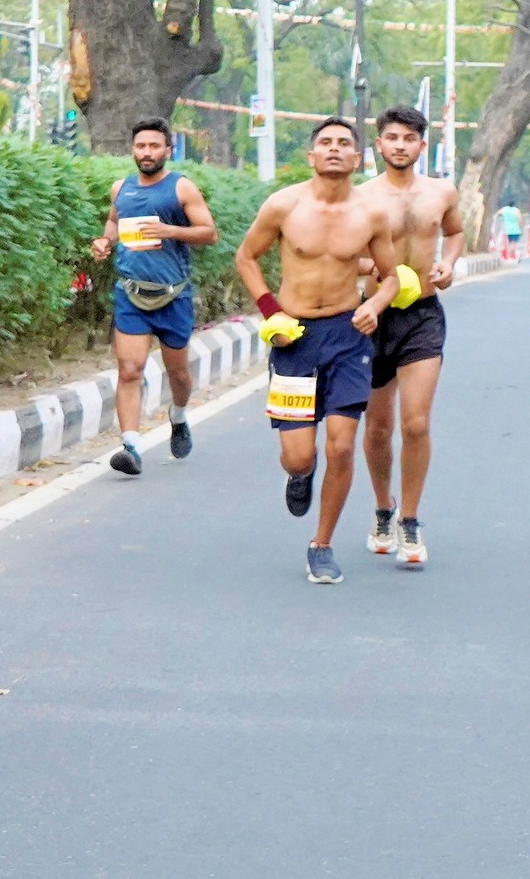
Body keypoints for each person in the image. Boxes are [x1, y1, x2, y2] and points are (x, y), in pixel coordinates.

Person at [234, 117, 401, 585]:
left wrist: (375, 306)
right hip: (295, 338)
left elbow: (391, 276)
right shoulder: (283, 205)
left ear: (357, 158)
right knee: (299, 457)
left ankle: (322, 545)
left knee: (342, 447)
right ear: (311, 156)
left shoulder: (371, 214)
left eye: (344, 143)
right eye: (325, 142)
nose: (334, 149)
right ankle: (300, 474)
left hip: (348, 337)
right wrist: (271, 313)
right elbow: (246, 257)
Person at [357, 106, 464, 569]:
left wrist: (448, 264)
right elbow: (341, 251)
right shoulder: (360, 197)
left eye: (409, 138)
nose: (400, 145)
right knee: (378, 427)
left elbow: (455, 233)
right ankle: (384, 507)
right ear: (379, 144)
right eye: (392, 137)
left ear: (422, 145)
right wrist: (369, 267)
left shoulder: (442, 192)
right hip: (373, 316)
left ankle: (411, 519)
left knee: (416, 423)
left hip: (422, 314)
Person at [90, 117, 219, 476]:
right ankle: (130, 446)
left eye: (154, 146)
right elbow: (114, 222)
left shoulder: (182, 188)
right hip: (131, 293)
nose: (146, 153)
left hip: (173, 295)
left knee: (178, 373)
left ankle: (178, 415)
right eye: (141, 146)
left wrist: (169, 230)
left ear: (168, 150)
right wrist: (105, 241)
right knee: (130, 369)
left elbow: (209, 233)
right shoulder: (122, 188)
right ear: (132, 150)